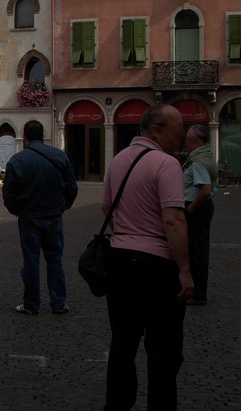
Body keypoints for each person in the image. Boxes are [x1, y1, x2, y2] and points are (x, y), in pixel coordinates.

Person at [101, 104, 193, 410]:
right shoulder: (166, 164)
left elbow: (106, 209)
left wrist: (129, 233)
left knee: (123, 344)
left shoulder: (117, 161)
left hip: (120, 261)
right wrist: (184, 269)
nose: (183, 132)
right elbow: (174, 220)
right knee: (163, 349)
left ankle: (117, 405)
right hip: (157, 265)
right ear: (156, 129)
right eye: (178, 126)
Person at [2, 120, 78, 316]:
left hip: (29, 216)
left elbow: (8, 194)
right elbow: (72, 187)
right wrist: (63, 206)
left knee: (31, 261)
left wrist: (18, 211)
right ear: (42, 135)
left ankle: (31, 304)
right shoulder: (59, 156)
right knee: (55, 260)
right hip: (53, 214)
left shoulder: (17, 160)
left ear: (25, 137)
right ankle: (59, 303)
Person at [182, 124, 216, 306]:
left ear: (195, 140)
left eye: (188, 138)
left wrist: (190, 209)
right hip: (202, 206)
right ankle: (197, 290)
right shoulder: (206, 155)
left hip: (197, 207)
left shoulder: (197, 161)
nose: (186, 141)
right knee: (198, 248)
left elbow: (205, 190)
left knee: (197, 251)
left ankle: (198, 293)